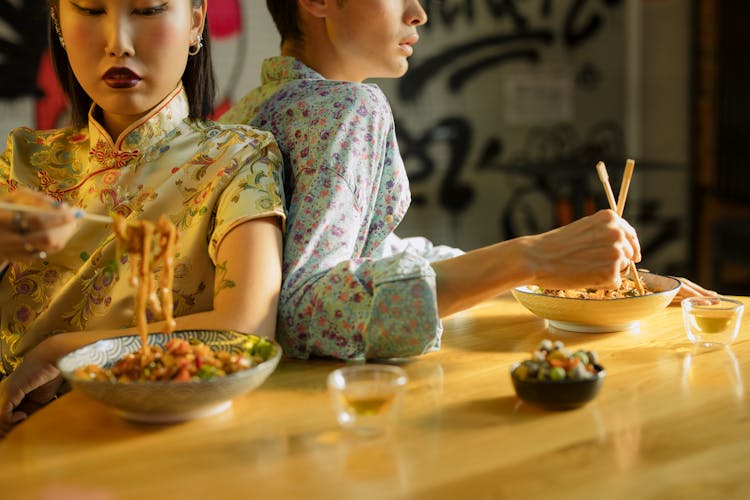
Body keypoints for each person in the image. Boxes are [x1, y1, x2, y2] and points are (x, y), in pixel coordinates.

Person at [220, 0, 713, 362]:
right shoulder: (348, 108)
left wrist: (539, 276)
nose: (418, 13)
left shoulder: (254, 108)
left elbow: (371, 256)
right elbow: (304, 308)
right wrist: (533, 255)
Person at [0, 0, 285, 436]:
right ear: (58, 21)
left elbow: (246, 328)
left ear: (195, 21)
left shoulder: (237, 157)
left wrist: (60, 352)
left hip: (159, 437)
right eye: (91, 10)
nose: (119, 43)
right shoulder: (24, 159)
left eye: (149, 10)